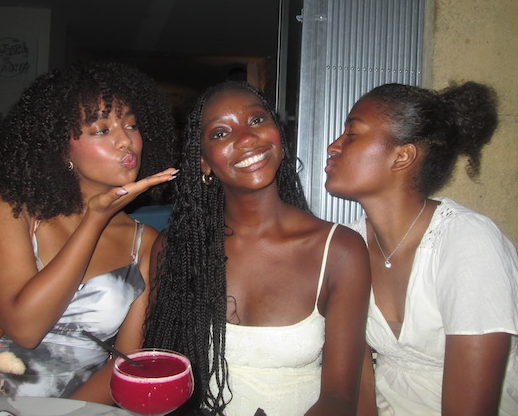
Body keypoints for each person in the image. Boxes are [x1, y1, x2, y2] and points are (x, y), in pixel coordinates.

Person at [143, 80, 371, 416]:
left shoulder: (339, 250)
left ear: (277, 135)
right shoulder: (176, 249)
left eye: (256, 120)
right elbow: (163, 375)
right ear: (204, 162)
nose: (247, 139)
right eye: (220, 133)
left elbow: (339, 398)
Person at [325, 82, 518, 415]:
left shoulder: (467, 242)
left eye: (351, 134)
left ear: (402, 156)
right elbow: (361, 387)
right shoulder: (348, 246)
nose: (332, 146)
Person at [0, 61, 178, 403]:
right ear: (59, 145)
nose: (126, 141)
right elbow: (25, 328)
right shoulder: (12, 204)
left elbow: (124, 363)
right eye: (101, 130)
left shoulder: (145, 243)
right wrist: (94, 220)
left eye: (131, 124)